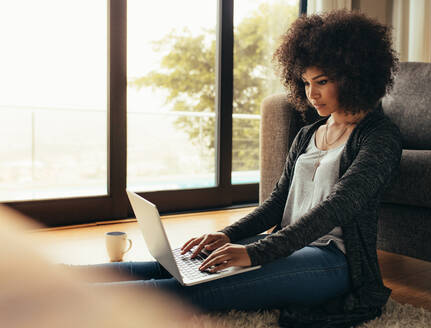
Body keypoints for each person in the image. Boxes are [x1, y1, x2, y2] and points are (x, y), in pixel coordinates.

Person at [74, 10, 402, 327]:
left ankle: (60, 301)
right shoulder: (308, 134)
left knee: (185, 292)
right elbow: (277, 204)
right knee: (170, 266)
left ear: (356, 76)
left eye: (322, 81)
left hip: (334, 262)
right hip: (286, 246)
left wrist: (255, 253)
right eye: (305, 82)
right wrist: (227, 235)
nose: (311, 93)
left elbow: (336, 208)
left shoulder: (380, 138)